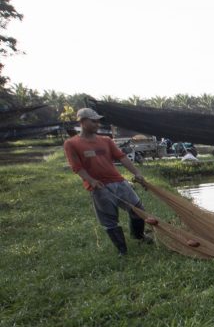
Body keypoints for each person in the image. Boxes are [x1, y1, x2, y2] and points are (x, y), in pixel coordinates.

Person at [63, 106, 150, 255]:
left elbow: (122, 157)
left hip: (119, 181)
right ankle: (122, 251)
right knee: (110, 219)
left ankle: (139, 236)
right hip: (100, 187)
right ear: (82, 121)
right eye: (93, 121)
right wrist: (91, 180)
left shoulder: (106, 140)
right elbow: (77, 167)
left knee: (138, 209)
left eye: (98, 121)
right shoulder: (71, 144)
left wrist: (137, 173)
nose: (97, 124)